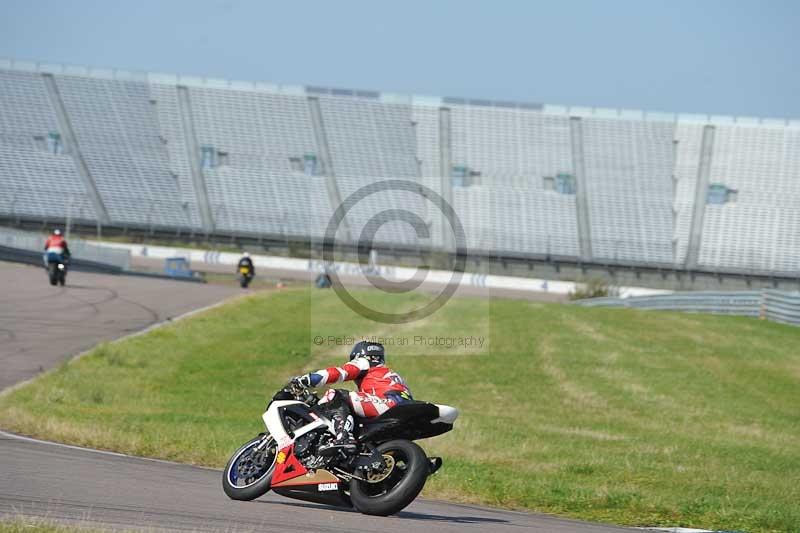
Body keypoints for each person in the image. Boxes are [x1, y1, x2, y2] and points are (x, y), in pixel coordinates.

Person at [291, 341, 412, 455]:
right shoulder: (391, 374)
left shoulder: (365, 362)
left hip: (387, 403)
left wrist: (308, 379)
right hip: (404, 407)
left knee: (335, 395)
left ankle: (343, 437)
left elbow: (339, 372)